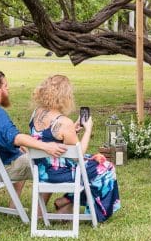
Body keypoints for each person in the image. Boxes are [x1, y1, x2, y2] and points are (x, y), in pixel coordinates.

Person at [28, 75, 121, 222]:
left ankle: (67, 202)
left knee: (96, 160)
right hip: (60, 173)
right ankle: (96, 213)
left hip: (41, 171)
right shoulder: (64, 122)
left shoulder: (36, 114)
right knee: (106, 167)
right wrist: (88, 130)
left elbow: (51, 139)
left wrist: (73, 130)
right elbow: (79, 154)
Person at [0, 71, 65, 197]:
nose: (8, 89)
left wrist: (17, 145)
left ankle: (13, 205)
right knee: (47, 162)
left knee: (20, 154)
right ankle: (54, 205)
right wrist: (46, 147)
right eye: (5, 86)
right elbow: (16, 138)